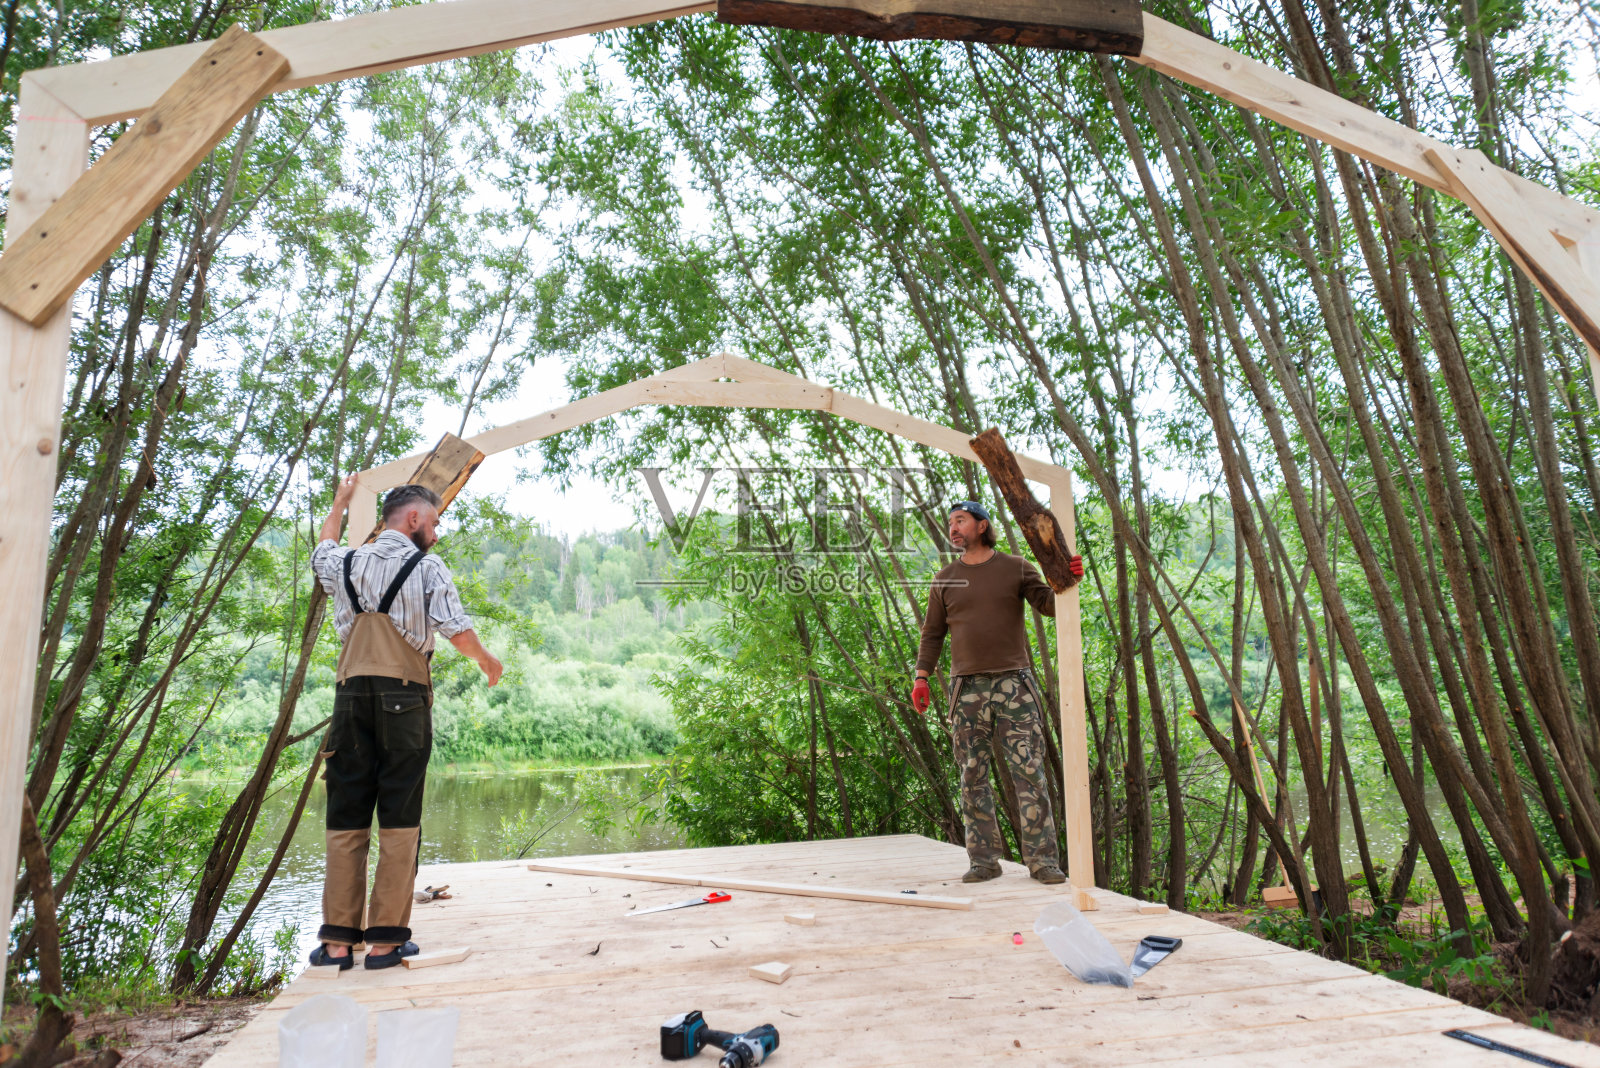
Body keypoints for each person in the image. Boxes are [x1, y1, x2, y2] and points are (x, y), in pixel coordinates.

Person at [306, 477, 504, 970]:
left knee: (345, 816)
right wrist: (487, 661)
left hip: (350, 701)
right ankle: (385, 944)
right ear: (413, 519)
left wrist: (338, 504)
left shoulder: (346, 562)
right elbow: (457, 630)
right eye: (433, 522)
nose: (436, 533)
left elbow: (322, 547)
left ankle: (336, 944)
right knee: (399, 818)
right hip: (405, 702)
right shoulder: (428, 566)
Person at [911, 500, 1081, 885]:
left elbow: (1050, 605)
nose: (953, 528)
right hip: (966, 688)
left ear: (983, 525)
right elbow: (932, 633)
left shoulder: (1016, 567)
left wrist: (1068, 580)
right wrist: (922, 677)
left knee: (1030, 771)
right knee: (972, 775)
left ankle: (1043, 862)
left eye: (961, 521)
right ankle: (984, 862)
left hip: (1014, 684)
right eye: (950, 522)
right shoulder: (945, 579)